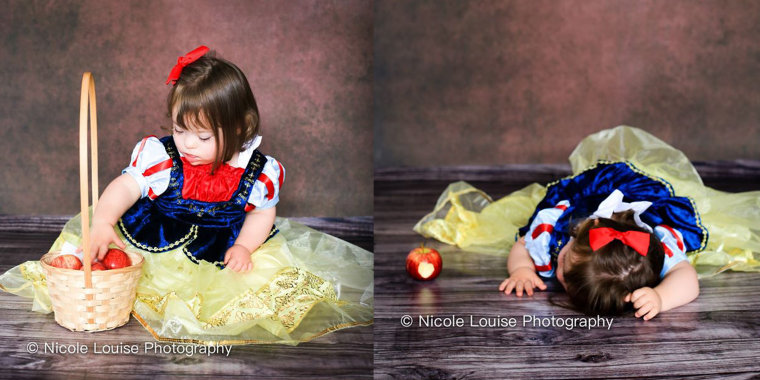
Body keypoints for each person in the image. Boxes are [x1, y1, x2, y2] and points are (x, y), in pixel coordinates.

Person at [0, 46, 373, 345]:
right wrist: (103, 219)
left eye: (203, 137)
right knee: (131, 273)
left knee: (248, 286)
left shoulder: (258, 172)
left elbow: (262, 214)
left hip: (221, 243)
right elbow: (126, 185)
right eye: (180, 130)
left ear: (240, 128)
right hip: (159, 233)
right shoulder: (162, 159)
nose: (188, 144)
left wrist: (244, 246)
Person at [415, 126, 760, 319]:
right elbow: (521, 245)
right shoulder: (557, 236)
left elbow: (687, 281)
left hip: (635, 216)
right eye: (563, 261)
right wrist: (521, 269)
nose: (556, 267)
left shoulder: (652, 250)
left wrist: (660, 297)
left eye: (561, 273)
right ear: (575, 235)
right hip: (602, 198)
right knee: (560, 209)